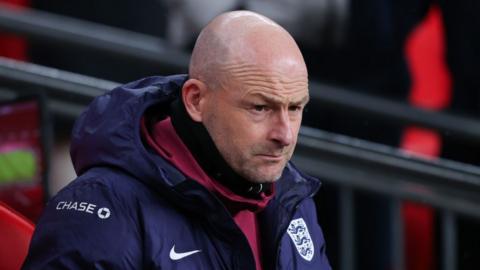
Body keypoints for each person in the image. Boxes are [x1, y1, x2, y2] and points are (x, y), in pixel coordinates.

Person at [22, 11, 331, 270]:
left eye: (295, 108)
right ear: (196, 100)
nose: (285, 134)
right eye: (260, 108)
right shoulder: (104, 208)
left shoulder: (293, 202)